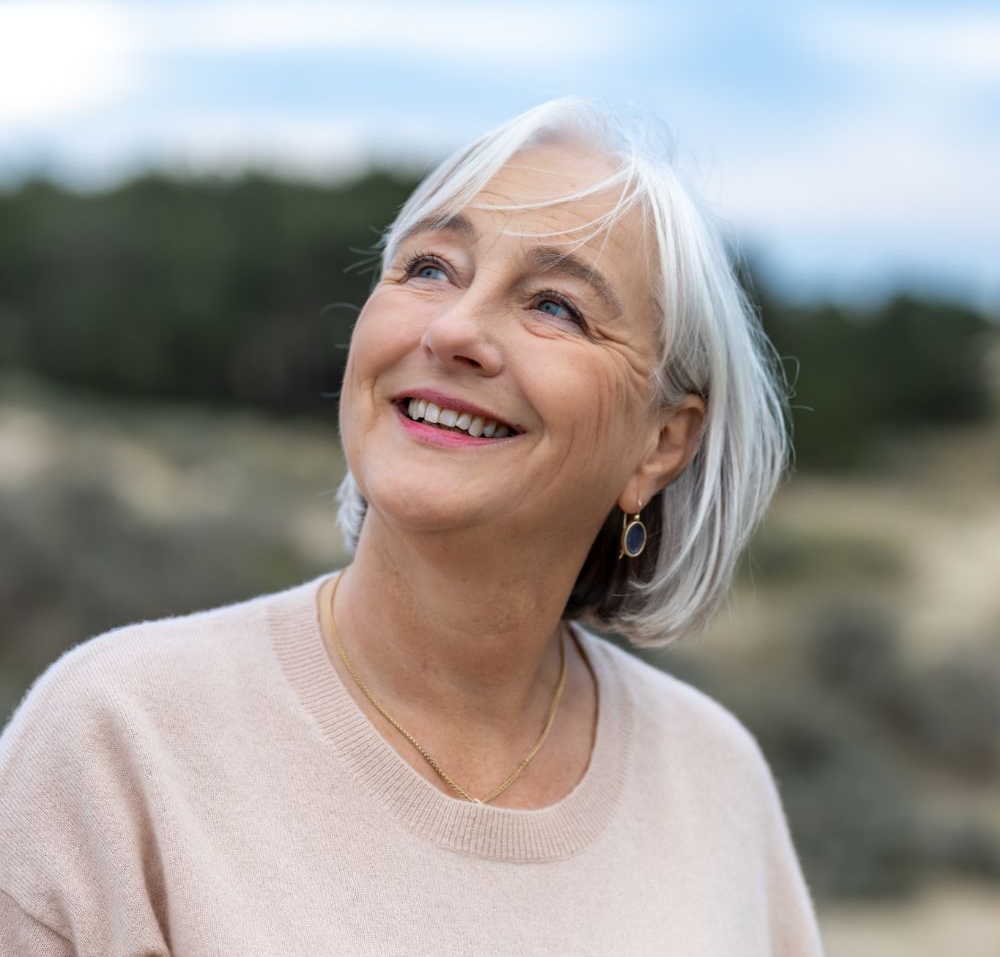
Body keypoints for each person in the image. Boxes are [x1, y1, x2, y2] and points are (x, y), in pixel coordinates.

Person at [0, 99, 825, 955]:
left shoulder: (711, 777)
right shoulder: (119, 740)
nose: (455, 329)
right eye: (431, 267)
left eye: (556, 307)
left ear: (661, 444)